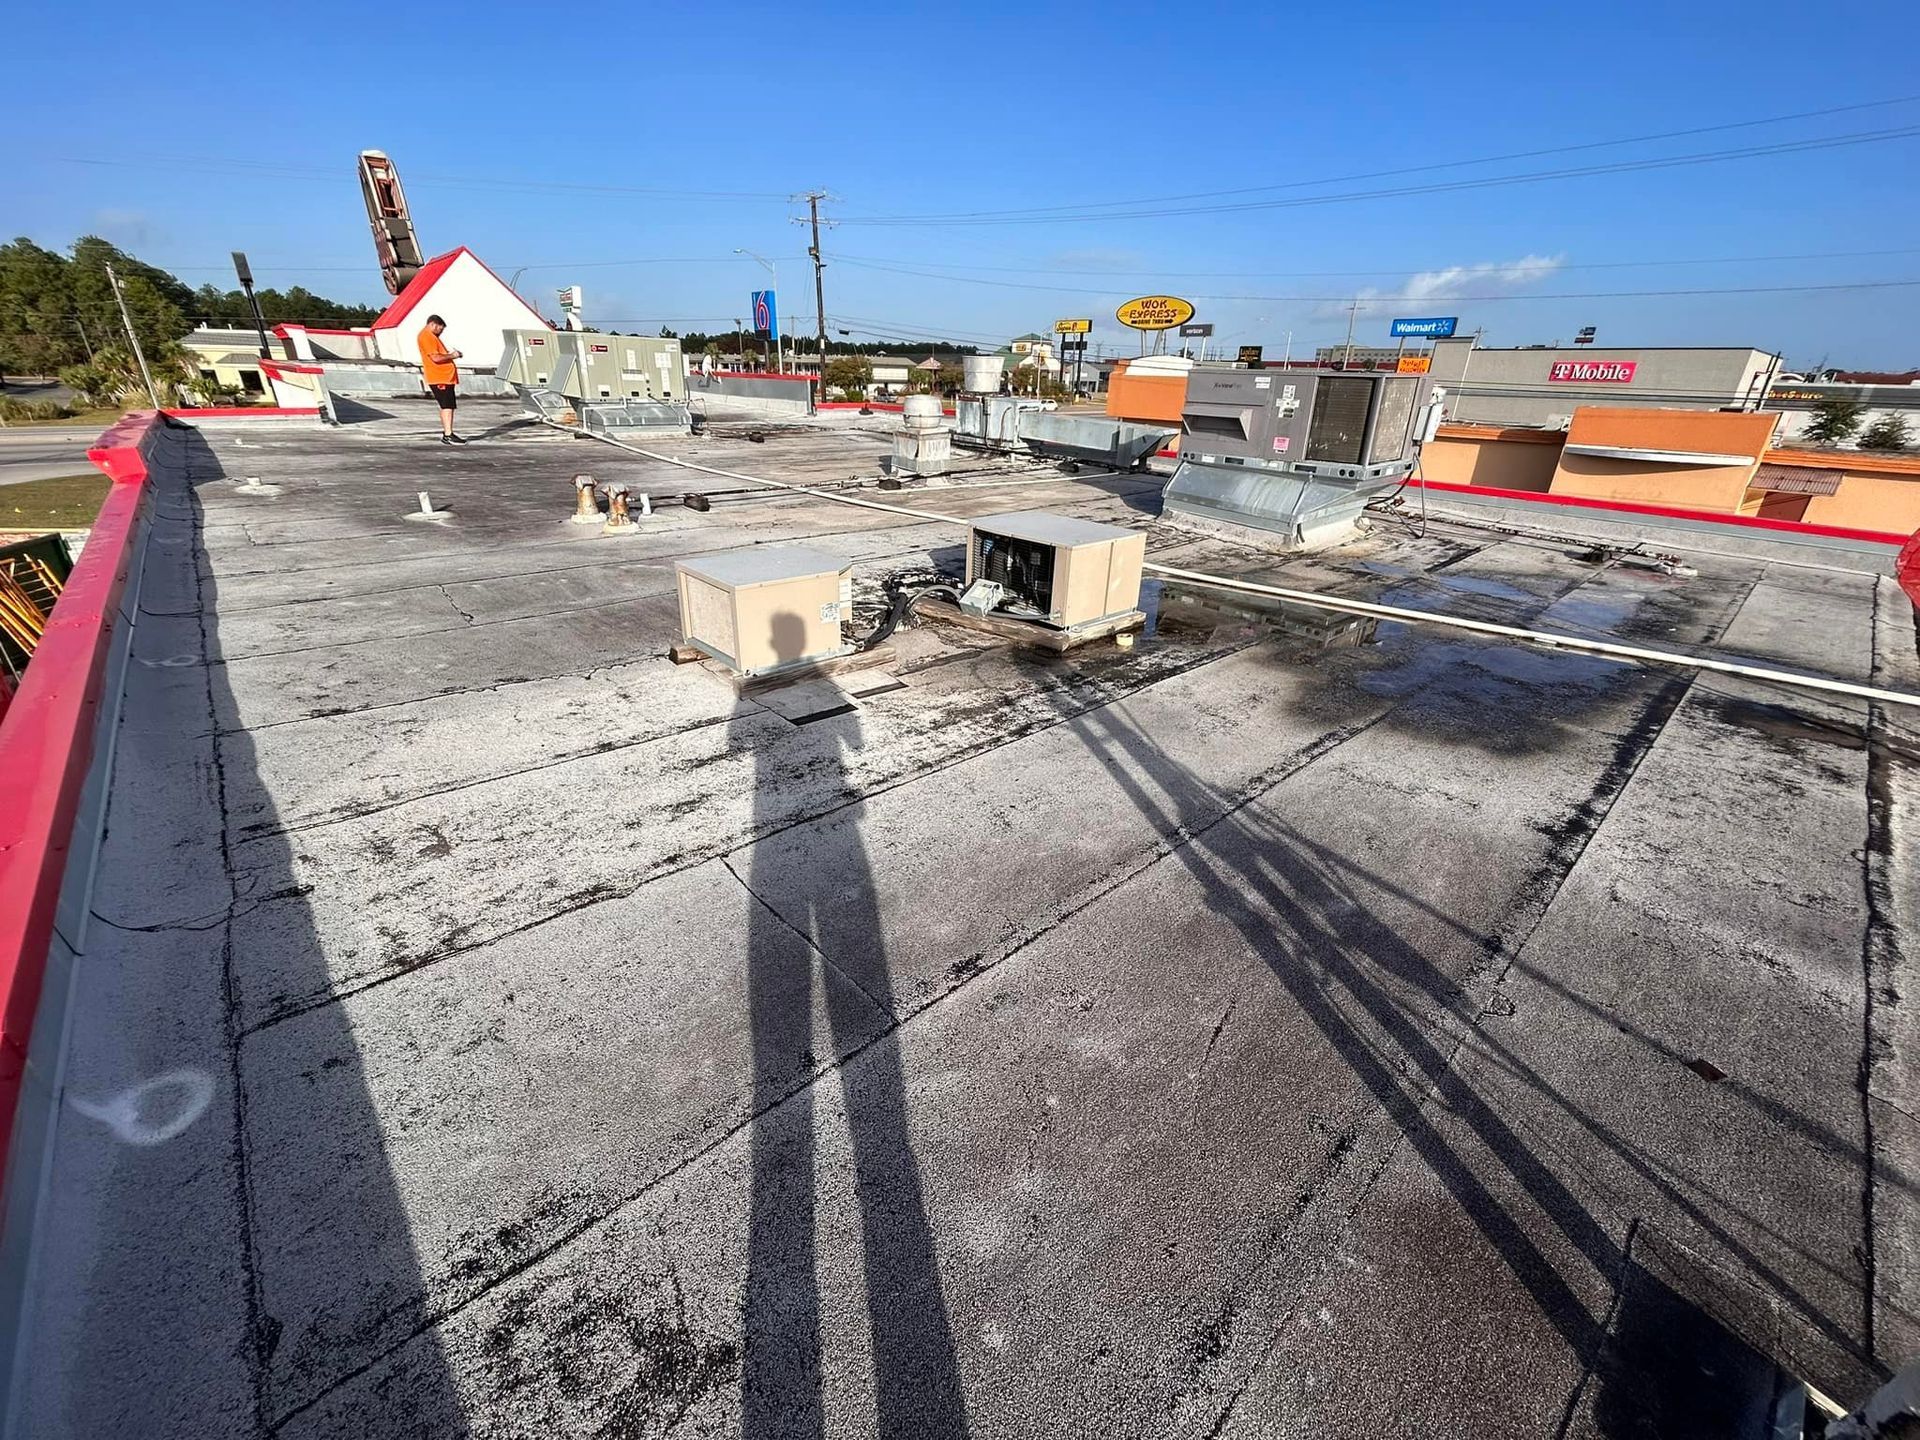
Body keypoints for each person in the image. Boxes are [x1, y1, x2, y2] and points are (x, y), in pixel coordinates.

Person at [418, 315, 465, 444]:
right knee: (447, 406)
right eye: (440, 329)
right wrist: (453, 355)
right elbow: (436, 358)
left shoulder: (430, 337)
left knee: (447, 406)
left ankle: (448, 433)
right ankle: (448, 434)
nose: (441, 332)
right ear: (433, 325)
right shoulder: (427, 336)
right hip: (440, 377)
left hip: (444, 377)